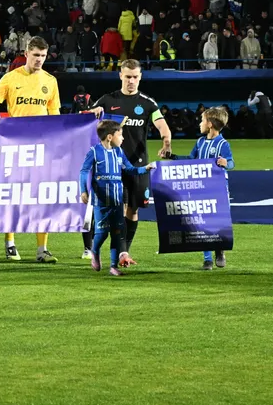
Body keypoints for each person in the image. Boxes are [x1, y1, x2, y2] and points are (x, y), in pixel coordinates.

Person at [0, 37, 61, 263]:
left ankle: (42, 249)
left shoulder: (50, 81)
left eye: (43, 56)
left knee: (42, 196)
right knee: (13, 196)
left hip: (41, 149)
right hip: (15, 146)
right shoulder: (10, 78)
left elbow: (55, 115)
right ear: (26, 54)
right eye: (35, 55)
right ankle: (10, 244)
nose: (39, 60)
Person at [86, 59, 173, 264]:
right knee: (115, 208)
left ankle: (124, 252)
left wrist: (166, 142)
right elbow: (86, 120)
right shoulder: (108, 100)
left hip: (138, 163)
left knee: (133, 209)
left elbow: (162, 126)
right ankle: (113, 251)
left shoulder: (148, 103)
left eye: (135, 77)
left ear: (140, 77)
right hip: (111, 165)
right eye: (127, 77)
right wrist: (92, 112)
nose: (131, 81)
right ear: (121, 76)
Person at [79, 120, 156, 277]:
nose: (123, 138)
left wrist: (145, 168)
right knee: (102, 233)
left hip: (117, 200)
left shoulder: (119, 152)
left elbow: (130, 169)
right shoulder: (94, 152)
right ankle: (95, 251)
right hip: (101, 201)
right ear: (109, 137)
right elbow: (84, 171)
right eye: (120, 135)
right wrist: (83, 191)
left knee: (117, 232)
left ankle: (113, 266)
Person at [170, 107, 234, 270]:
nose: (200, 123)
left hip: (218, 188)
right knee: (201, 222)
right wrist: (172, 157)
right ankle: (207, 259)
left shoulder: (223, 144)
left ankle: (219, 249)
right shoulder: (200, 142)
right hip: (201, 187)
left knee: (218, 221)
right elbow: (190, 159)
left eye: (202, 120)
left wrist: (226, 163)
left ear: (210, 124)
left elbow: (231, 162)